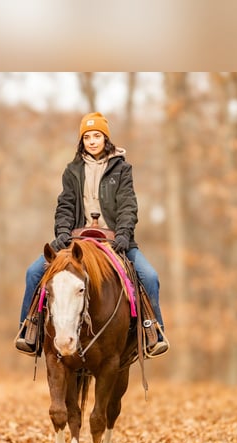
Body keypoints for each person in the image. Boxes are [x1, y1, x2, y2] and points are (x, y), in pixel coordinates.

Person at [15, 112, 169, 358]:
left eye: (97, 135)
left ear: (105, 138)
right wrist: (63, 232)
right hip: (76, 239)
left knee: (149, 276)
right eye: (87, 137)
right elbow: (65, 205)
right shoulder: (72, 171)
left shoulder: (122, 169)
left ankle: (153, 331)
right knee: (34, 272)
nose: (92, 141)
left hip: (114, 240)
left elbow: (128, 206)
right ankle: (29, 329)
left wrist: (123, 235)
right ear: (82, 141)